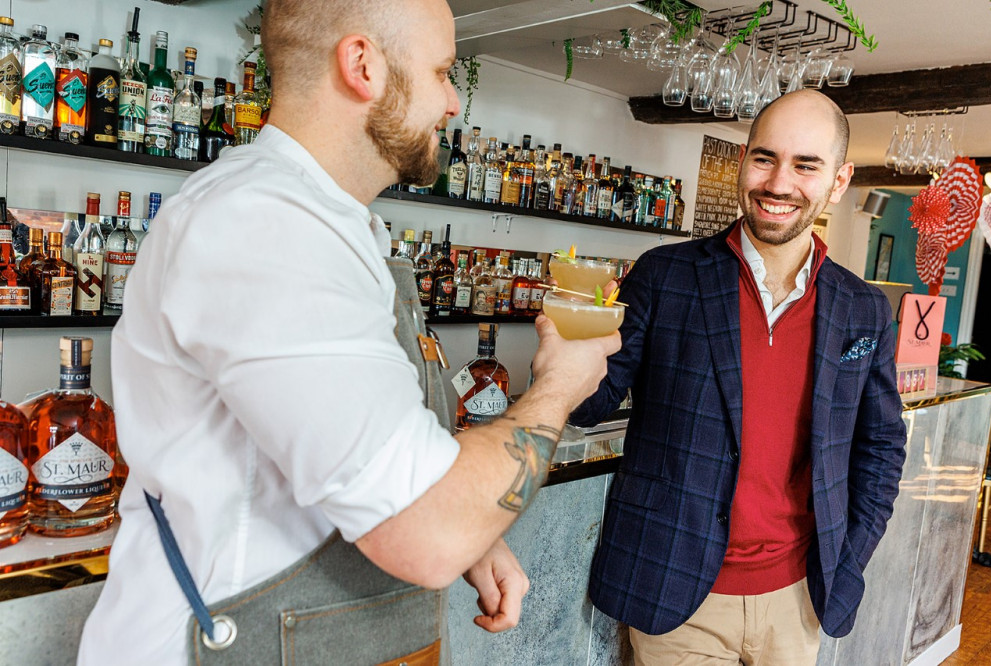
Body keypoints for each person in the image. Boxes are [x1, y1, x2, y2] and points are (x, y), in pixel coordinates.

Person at [77, 0, 620, 663]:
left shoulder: (342, 226)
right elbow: (424, 533)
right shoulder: (266, 225)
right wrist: (558, 388)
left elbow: (358, 445)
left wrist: (469, 522)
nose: (454, 102)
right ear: (362, 65)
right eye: (444, 71)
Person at [571, 89, 907, 665]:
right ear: (743, 159)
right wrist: (571, 343)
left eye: (806, 165)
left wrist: (847, 559)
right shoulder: (664, 276)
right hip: (677, 595)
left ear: (840, 179)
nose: (779, 183)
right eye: (764, 158)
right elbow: (592, 403)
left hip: (797, 597)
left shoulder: (864, 308)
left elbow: (881, 446)